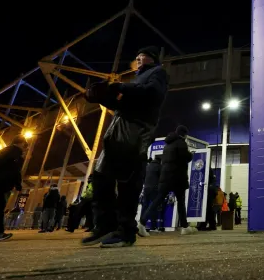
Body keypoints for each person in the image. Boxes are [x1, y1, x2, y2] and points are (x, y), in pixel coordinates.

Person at [83, 46, 168, 248]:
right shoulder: (136, 79)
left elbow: (153, 94)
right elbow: (122, 105)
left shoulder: (158, 73)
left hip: (136, 130)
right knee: (101, 176)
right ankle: (105, 224)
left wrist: (120, 87)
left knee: (127, 181)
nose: (139, 59)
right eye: (137, 56)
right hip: (118, 128)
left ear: (153, 59)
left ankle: (125, 230)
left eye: (143, 56)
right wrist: (104, 97)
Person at [138, 126, 196, 236]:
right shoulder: (181, 143)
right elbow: (185, 157)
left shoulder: (167, 145)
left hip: (165, 178)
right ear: (183, 134)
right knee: (181, 202)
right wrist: (191, 154)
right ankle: (185, 227)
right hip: (177, 177)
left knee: (157, 200)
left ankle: (142, 223)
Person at [140, 158, 162, 232]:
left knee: (145, 206)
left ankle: (141, 224)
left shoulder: (148, 166)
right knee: (153, 206)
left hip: (146, 188)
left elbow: (143, 177)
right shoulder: (159, 166)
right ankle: (153, 226)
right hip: (154, 188)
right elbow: (161, 178)